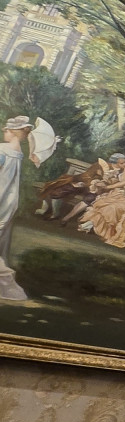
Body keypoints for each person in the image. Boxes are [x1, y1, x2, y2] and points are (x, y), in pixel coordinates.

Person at [0, 114, 55, 301]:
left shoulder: (3, 150)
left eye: (6, 130)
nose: (4, 133)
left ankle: (4, 280)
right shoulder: (17, 153)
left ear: (12, 132)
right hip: (8, 201)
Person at [78, 154, 125, 254]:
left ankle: (91, 224)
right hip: (119, 195)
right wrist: (105, 181)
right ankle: (91, 224)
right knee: (103, 203)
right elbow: (113, 182)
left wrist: (107, 187)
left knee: (114, 207)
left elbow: (123, 183)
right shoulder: (120, 173)